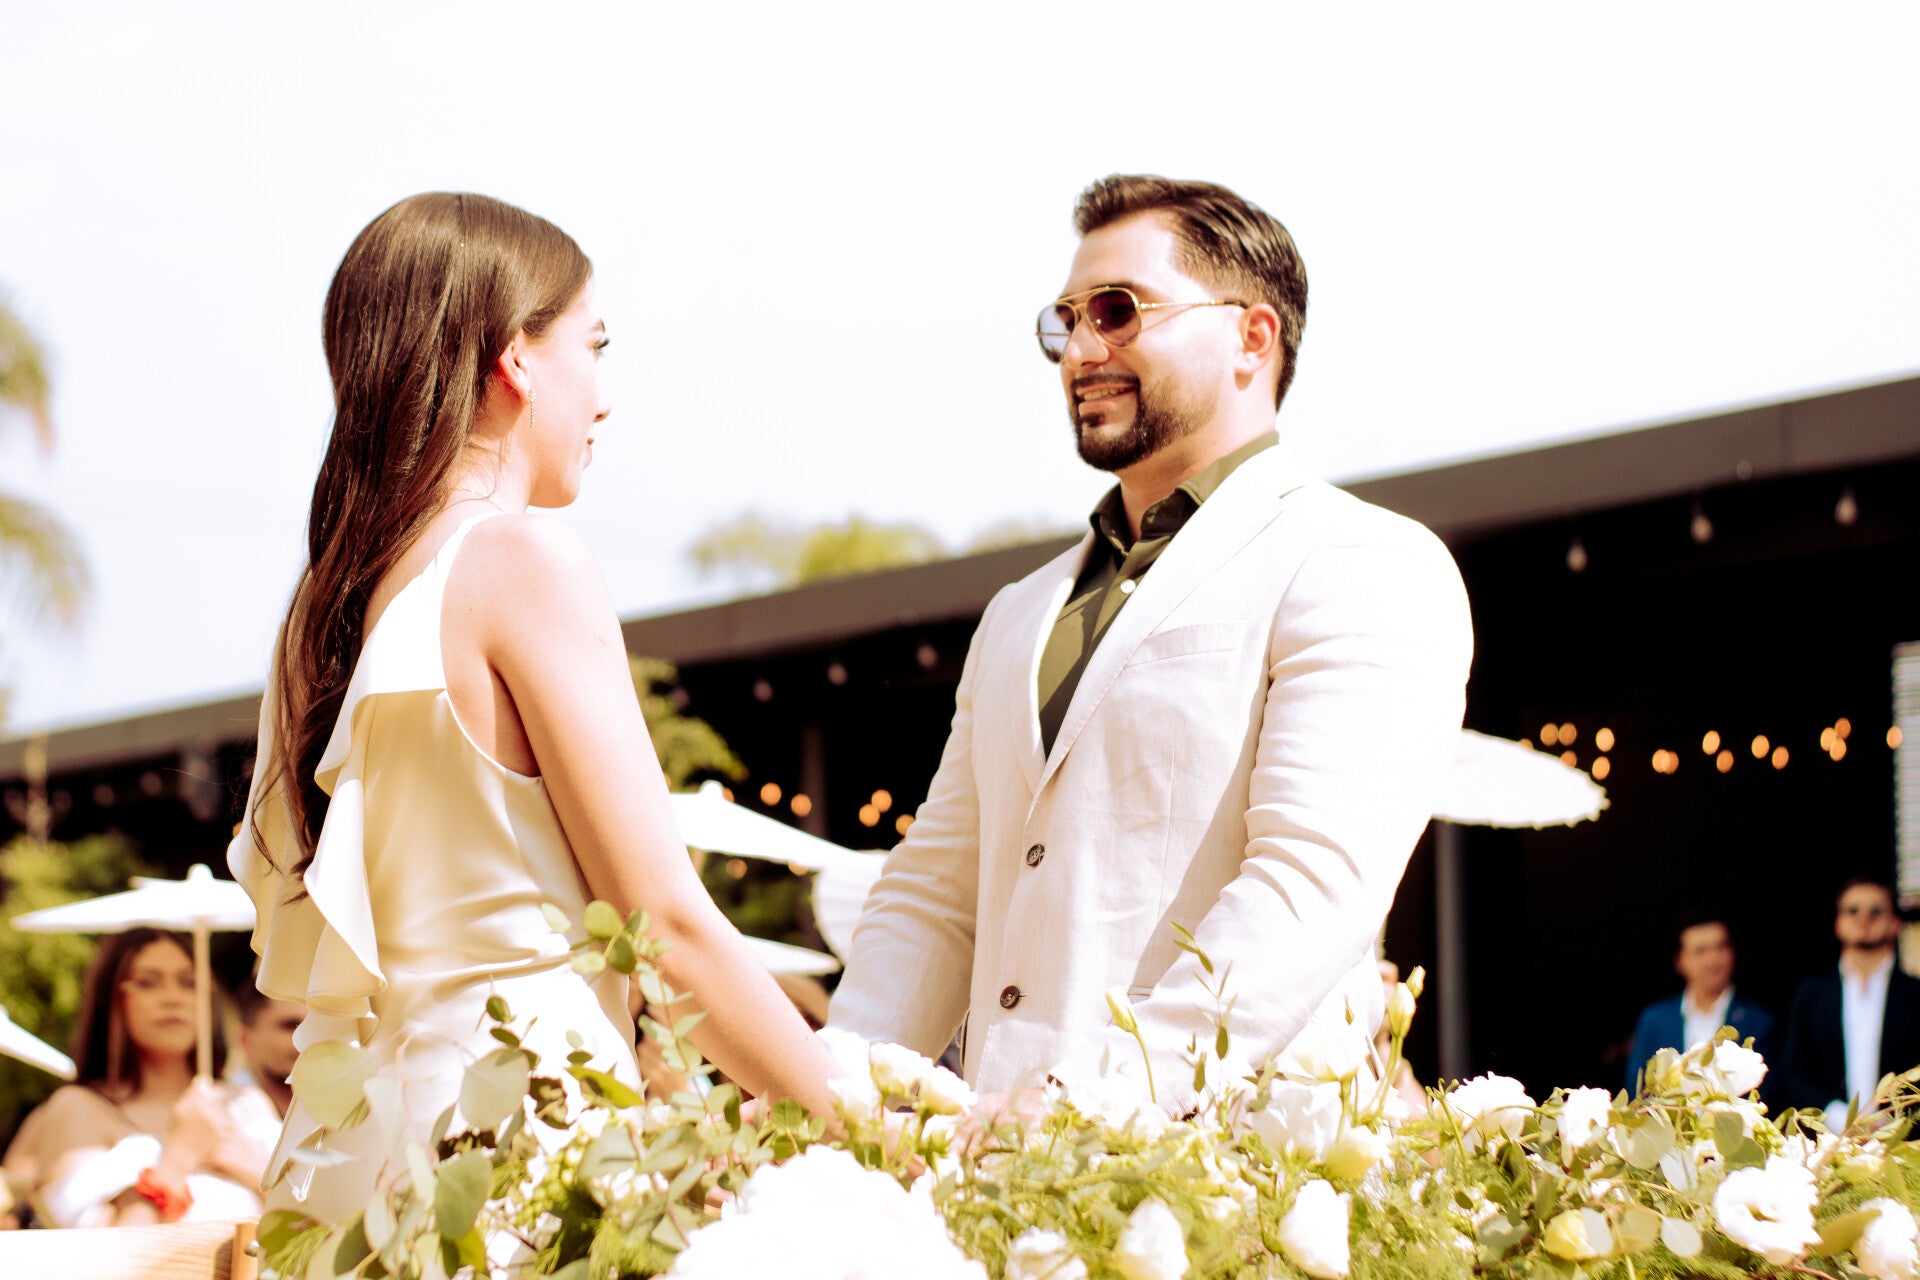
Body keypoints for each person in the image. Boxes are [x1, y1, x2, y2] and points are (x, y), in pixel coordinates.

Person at [227, 192, 843, 1223]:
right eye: (593, 346)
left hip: (358, 1161)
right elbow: (664, 926)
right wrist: (871, 1134)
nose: (603, 398)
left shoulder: (320, 615)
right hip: (525, 1147)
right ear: (516, 357)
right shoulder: (520, 560)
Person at [829, 175, 1472, 1114]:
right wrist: (835, 1097)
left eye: (1119, 311)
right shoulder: (1018, 610)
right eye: (1065, 321)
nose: (1082, 349)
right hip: (988, 1172)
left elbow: (1308, 890)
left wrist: (1087, 1111)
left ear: (1253, 336)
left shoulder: (1362, 560)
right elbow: (935, 893)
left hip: (1227, 1172)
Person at [1, 928, 267, 1227]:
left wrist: (255, 1172)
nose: (172, 998)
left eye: (189, 983)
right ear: (111, 997)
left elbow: (302, 1228)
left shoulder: (248, 1104)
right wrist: (177, 1159)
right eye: (148, 983)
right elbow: (105, 1252)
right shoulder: (78, 1110)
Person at [1778, 877, 1920, 1125]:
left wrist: (1891, 1122)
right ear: (1838, 923)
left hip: (1905, 1137)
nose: (1864, 918)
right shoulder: (1811, 995)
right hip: (1828, 1138)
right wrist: (1839, 1119)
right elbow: (1793, 1074)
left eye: (1876, 910)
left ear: (1895, 923)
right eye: (1853, 910)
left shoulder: (1915, 994)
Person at [1622, 914, 1775, 1093]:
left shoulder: (1758, 1021)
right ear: (1680, 961)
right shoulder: (1655, 1020)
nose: (1712, 959)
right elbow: (1637, 1089)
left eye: (1721, 947)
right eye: (1700, 951)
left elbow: (1765, 1092)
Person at [230, 981, 304, 1119]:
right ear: (246, 1041)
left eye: (313, 1028)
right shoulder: (224, 1115)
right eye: (291, 1026)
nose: (307, 1039)